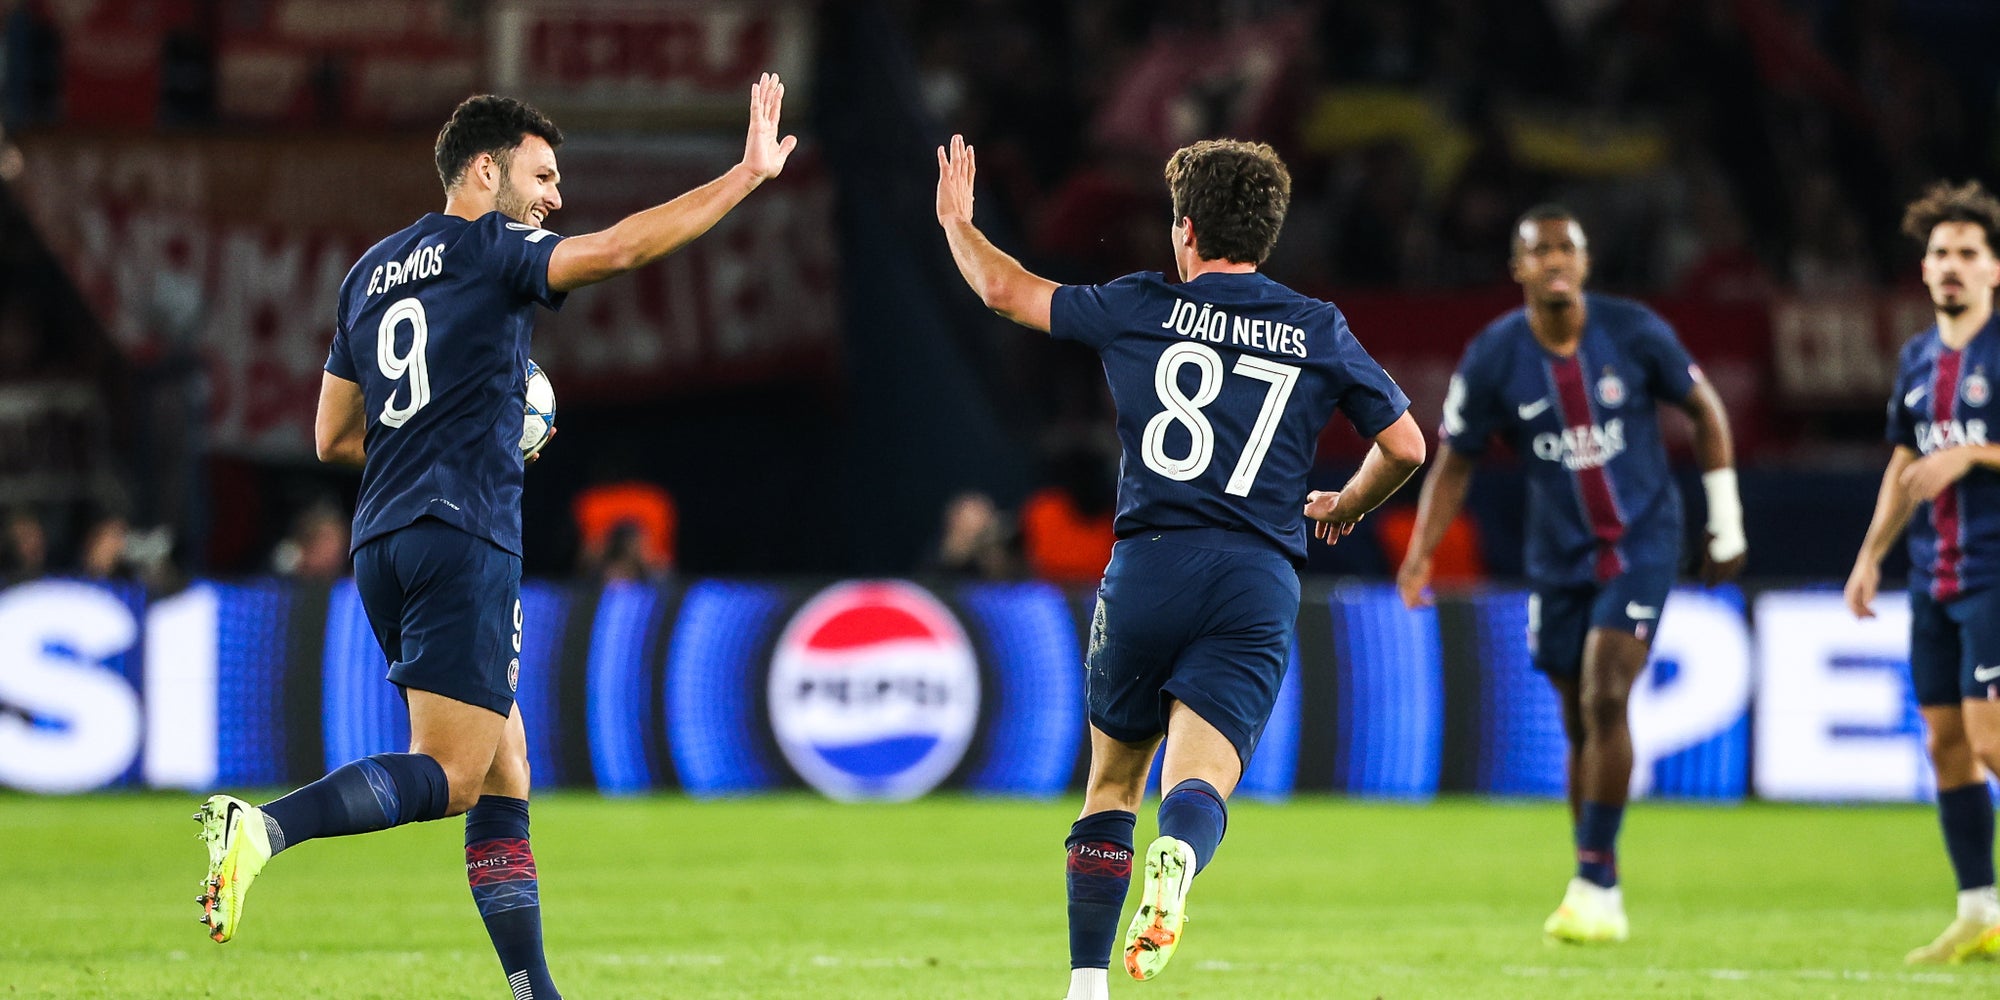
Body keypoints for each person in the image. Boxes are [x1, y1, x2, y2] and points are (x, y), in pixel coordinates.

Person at [192, 76, 797, 999]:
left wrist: (460, 420)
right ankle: (265, 830)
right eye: (543, 175)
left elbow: (329, 437)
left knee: (506, 760)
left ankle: (534, 992)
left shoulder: (369, 271)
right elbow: (623, 249)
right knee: (456, 773)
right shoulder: (492, 247)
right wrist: (746, 176)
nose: (554, 198)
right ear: (485, 168)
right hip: (463, 532)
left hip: (381, 539)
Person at [936, 134, 1425, 998]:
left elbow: (1006, 290)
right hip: (1254, 578)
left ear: (1186, 230)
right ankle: (1181, 857)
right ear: (1267, 234)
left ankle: (1088, 985)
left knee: (1112, 784)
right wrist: (1347, 505)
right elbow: (1406, 446)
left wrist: (956, 222)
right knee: (1199, 781)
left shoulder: (1139, 305)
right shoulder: (1316, 326)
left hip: (1148, 568)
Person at [1396, 205, 1746, 944]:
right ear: (1519, 268)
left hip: (1642, 542)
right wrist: (1422, 551)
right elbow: (1454, 459)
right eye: (1539, 250)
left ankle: (1592, 884)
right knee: (1577, 718)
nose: (1555, 260)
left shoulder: (1634, 331)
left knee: (1606, 687)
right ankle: (1598, 876)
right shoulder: (1493, 357)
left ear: (1585, 262)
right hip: (1556, 560)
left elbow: (1705, 409)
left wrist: (1727, 519)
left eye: (1567, 248)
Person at [1844, 179, 2000, 965]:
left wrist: (1973, 452)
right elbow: (1906, 460)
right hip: (1933, 575)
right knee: (1944, 742)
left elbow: (1949, 454)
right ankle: (1980, 911)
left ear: (1995, 270)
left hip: (1996, 574)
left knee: (1990, 737)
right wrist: (1872, 555)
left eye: (1968, 254)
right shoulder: (1915, 357)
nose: (1951, 266)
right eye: (1940, 252)